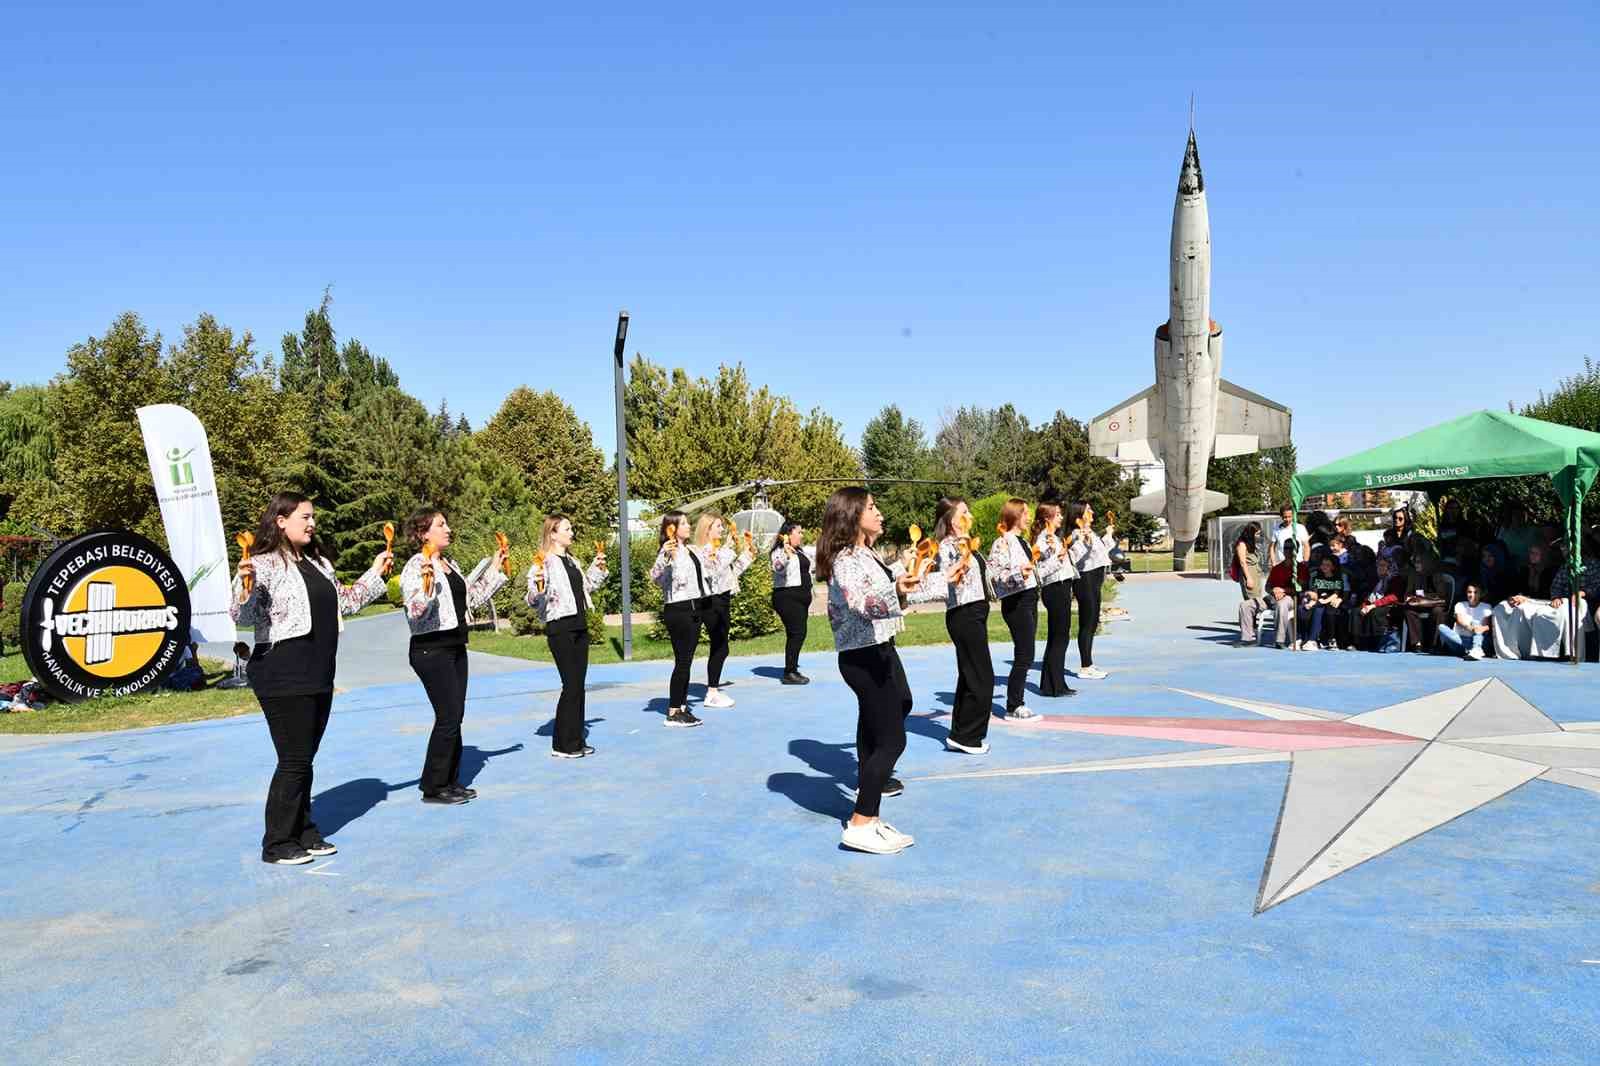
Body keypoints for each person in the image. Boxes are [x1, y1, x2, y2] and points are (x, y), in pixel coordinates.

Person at [232, 491, 391, 865]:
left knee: (305, 757)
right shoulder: (261, 563)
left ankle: (303, 830)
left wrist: (375, 572)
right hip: (283, 668)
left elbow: (346, 602)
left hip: (319, 669)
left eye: (313, 516)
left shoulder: (319, 563)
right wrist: (245, 586)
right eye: (304, 516)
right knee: (294, 758)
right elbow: (243, 616)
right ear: (281, 520)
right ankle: (277, 843)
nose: (312, 522)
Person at [816, 488, 942, 854]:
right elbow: (862, 602)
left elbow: (897, 593)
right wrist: (895, 590)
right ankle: (861, 821)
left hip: (880, 649)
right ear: (854, 515)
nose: (880, 513)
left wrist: (941, 582)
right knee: (892, 741)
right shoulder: (845, 560)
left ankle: (866, 796)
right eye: (872, 507)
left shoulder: (866, 554)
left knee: (899, 704)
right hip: (862, 656)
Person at [400, 507, 509, 801]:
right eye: (440, 525)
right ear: (424, 533)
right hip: (430, 647)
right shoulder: (416, 565)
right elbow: (414, 611)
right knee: (448, 716)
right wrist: (426, 589)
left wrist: (495, 568)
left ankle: (449, 780)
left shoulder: (451, 564)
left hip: (455, 645)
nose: (448, 529)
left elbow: (471, 599)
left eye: (447, 524)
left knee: (455, 715)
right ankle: (434, 786)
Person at [527, 515, 607, 758]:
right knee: (570, 685)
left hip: (579, 624)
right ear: (553, 533)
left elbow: (586, 588)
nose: (572, 532)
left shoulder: (572, 561)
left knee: (579, 685)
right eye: (567, 529)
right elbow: (532, 598)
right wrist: (538, 589)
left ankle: (576, 738)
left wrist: (598, 568)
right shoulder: (543, 562)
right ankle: (562, 744)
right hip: (560, 626)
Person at [934, 497, 996, 755]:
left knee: (970, 675)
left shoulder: (968, 543)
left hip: (976, 611)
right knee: (982, 677)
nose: (969, 515)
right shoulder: (948, 546)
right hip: (963, 613)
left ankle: (960, 732)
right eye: (964, 512)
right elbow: (949, 578)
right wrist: (963, 555)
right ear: (950, 520)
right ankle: (969, 737)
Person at [650, 511, 707, 728]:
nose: (688, 526)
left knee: (688, 660)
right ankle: (673, 710)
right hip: (679, 609)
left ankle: (682, 707)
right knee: (682, 661)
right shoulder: (668, 551)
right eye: (682, 523)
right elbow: (655, 577)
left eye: (687, 522)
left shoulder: (690, 551)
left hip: (694, 608)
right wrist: (665, 556)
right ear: (671, 528)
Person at [988, 498, 1041, 719]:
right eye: (1025, 513)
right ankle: (1014, 705)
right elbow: (996, 575)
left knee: (1028, 653)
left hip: (1029, 598)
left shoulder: (1024, 542)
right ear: (1015, 516)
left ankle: (1015, 702)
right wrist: (1020, 574)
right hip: (1016, 601)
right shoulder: (1002, 543)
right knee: (1024, 654)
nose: (1029, 517)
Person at [693, 514, 753, 709]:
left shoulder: (719, 550)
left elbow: (730, 573)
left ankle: (713, 689)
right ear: (707, 529)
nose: (722, 529)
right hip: (712, 602)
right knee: (720, 645)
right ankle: (711, 692)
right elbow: (714, 570)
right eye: (718, 526)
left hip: (724, 599)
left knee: (721, 646)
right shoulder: (704, 551)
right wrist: (728, 547)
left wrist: (747, 555)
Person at [1031, 502, 1077, 697]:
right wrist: (1057, 559)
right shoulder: (1043, 541)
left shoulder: (1055, 538)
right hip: (1054, 589)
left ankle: (1055, 682)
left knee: (1060, 637)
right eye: (1057, 514)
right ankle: (1053, 685)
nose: (1060, 517)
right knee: (1059, 637)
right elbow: (1038, 571)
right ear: (1047, 518)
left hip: (1063, 587)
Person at [1064, 502, 1115, 679]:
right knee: (1087, 622)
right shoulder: (1076, 535)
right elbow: (1074, 558)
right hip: (1085, 580)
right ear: (1079, 516)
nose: (1092, 512)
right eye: (1088, 510)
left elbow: (1101, 553)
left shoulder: (1089, 532)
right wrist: (1083, 540)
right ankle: (1085, 666)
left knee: (1093, 621)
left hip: (1095, 580)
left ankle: (1089, 663)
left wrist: (1108, 535)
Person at [1492, 542, 1565, 660]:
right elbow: (1518, 588)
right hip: (1526, 600)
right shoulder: (1525, 569)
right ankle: (1507, 651)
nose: (1532, 556)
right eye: (1530, 553)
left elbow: (1548, 595)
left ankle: (1526, 651)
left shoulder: (1550, 572)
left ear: (1543, 555)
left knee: (1521, 609)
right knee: (1500, 608)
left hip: (1544, 603)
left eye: (1535, 554)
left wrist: (1527, 599)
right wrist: (1514, 597)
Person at [769, 521, 813, 685]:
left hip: (801, 597)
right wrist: (786, 553)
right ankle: (789, 672)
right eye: (799, 532)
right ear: (788, 534)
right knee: (797, 633)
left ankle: (792, 668)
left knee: (798, 633)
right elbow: (778, 568)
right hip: (787, 597)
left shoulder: (801, 551)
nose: (802, 535)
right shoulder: (778, 552)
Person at [1401, 536, 1452, 653]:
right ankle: (1417, 643)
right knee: (1409, 611)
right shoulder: (1413, 575)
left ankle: (1436, 644)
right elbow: (1407, 593)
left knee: (1438, 612)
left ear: (1426, 562)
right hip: (1418, 604)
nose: (1416, 564)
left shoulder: (1435, 574)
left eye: (1419, 562)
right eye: (1415, 562)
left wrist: (1425, 600)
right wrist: (1410, 598)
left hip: (1433, 604)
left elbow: (1443, 598)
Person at [1356, 555, 1407, 652]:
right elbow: (1370, 596)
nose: (1379, 568)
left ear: (1390, 567)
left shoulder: (1396, 579)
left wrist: (1373, 605)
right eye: (1378, 565)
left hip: (1393, 606)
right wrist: (1365, 606)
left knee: (1376, 612)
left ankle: (1379, 642)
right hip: (1376, 604)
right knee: (1357, 611)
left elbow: (1393, 597)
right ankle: (1358, 642)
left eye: (1383, 565)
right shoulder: (1378, 580)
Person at [1298, 555, 1348, 651]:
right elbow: (1315, 593)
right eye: (1323, 564)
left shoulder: (1337, 578)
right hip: (1319, 601)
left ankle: (1315, 640)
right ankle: (1303, 638)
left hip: (1330, 601)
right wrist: (1312, 601)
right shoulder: (1317, 577)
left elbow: (1336, 594)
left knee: (1321, 610)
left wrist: (1324, 601)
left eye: (1327, 565)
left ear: (1333, 567)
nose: (1324, 567)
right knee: (1303, 609)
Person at [1435, 583, 1492, 659]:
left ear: (1480, 594)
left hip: (1479, 640)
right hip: (1460, 639)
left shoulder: (1486, 606)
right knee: (1441, 627)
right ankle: (1472, 650)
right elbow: (1459, 620)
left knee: (1476, 622)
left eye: (1475, 592)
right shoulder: (1460, 605)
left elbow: (1486, 626)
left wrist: (1479, 628)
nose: (1472, 595)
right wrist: (1471, 628)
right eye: (1469, 592)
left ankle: (1476, 648)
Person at [1269, 504, 1309, 569]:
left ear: (1293, 515)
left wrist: (1305, 562)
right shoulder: (1276, 529)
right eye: (1285, 517)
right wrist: (1273, 562)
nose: (1287, 519)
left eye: (1289, 516)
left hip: (1298, 565)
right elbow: (1271, 547)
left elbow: (1306, 546)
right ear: (1281, 516)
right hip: (1282, 565)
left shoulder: (1300, 528)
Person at [1233, 523, 1263, 603]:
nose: (1258, 536)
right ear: (1251, 533)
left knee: (1258, 596)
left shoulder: (1251, 542)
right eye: (1257, 534)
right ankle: (1250, 615)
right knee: (1252, 599)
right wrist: (1248, 578)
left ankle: (1256, 615)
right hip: (1248, 571)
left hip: (1255, 571)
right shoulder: (1242, 544)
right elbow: (1242, 562)